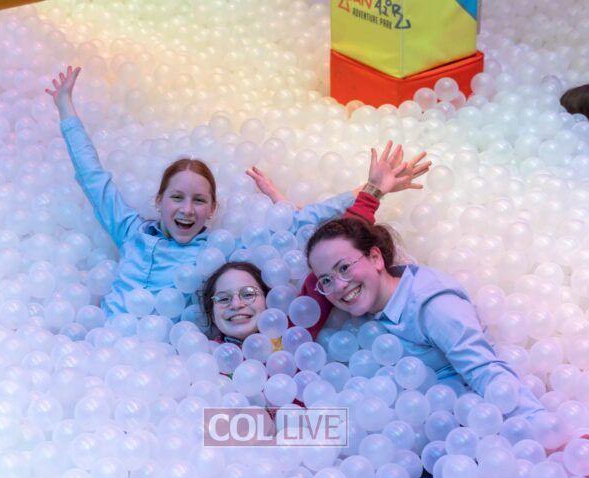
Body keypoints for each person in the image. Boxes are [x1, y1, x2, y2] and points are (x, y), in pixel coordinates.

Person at [46, 66, 428, 315]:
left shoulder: (217, 252)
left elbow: (296, 226)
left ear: (212, 210)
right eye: (177, 197)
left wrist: (371, 189)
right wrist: (66, 109)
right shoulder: (130, 232)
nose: (187, 209)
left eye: (199, 200)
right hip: (106, 348)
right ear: (159, 202)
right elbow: (93, 178)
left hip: (162, 361)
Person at [304, 216, 544, 417]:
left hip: (469, 424)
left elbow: (485, 371)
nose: (339, 285)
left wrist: (542, 432)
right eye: (326, 280)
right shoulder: (369, 311)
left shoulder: (433, 307)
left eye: (344, 268)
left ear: (376, 258)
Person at [201, 142, 430, 343]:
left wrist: (372, 192)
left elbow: (340, 248)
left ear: (270, 300)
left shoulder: (296, 328)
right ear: (211, 311)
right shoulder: (203, 357)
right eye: (223, 299)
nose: (236, 304)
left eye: (249, 293)